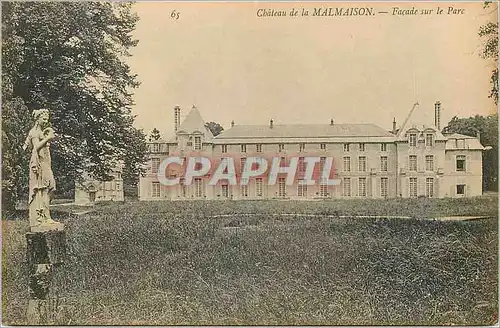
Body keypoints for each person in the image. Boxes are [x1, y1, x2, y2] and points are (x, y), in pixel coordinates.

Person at [23, 109, 57, 227]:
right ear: (37, 119)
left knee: (51, 188)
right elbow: (35, 147)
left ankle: (45, 215)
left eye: (47, 119)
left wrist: (47, 136)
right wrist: (48, 138)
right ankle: (45, 217)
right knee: (45, 189)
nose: (46, 121)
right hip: (40, 165)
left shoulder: (41, 132)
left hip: (46, 164)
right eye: (44, 119)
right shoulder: (34, 132)